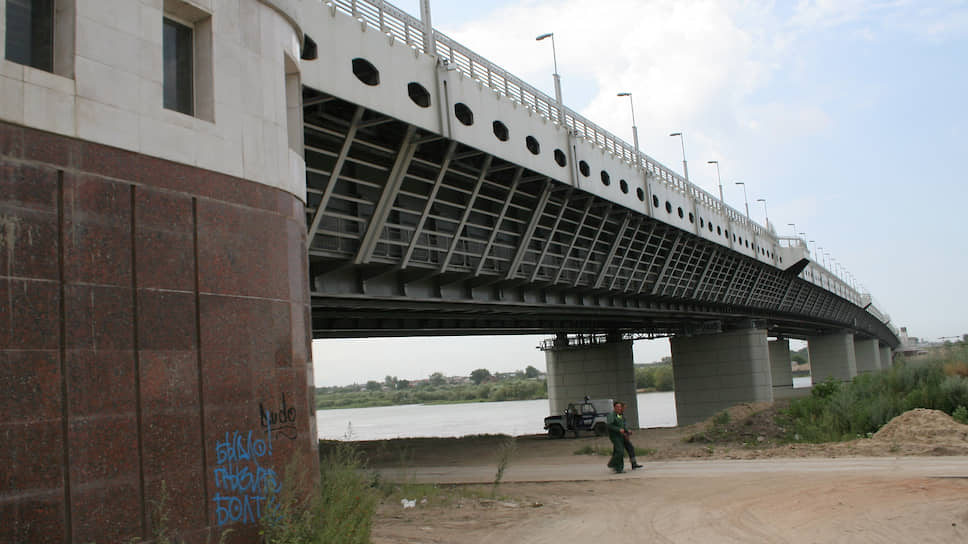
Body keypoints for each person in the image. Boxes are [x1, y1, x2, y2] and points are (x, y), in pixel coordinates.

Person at [606, 401, 642, 473]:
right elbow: (609, 425)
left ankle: (629, 465)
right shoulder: (611, 415)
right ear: (614, 407)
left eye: (620, 407)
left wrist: (627, 431)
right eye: (618, 407)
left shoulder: (620, 415)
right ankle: (612, 464)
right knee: (620, 451)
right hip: (615, 436)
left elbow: (622, 424)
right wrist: (618, 429)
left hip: (622, 436)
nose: (620, 408)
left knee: (626, 449)